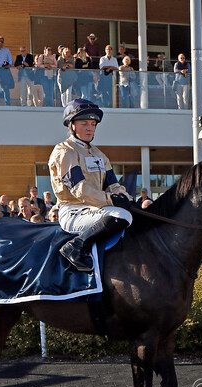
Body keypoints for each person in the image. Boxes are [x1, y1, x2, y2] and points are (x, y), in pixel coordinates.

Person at [49, 99, 133, 271]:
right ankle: (75, 246)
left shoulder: (99, 154)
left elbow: (113, 185)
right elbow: (79, 189)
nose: (90, 128)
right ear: (71, 125)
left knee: (132, 213)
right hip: (72, 211)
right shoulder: (64, 151)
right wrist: (112, 200)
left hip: (97, 209)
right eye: (84, 123)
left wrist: (128, 199)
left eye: (93, 124)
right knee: (122, 215)